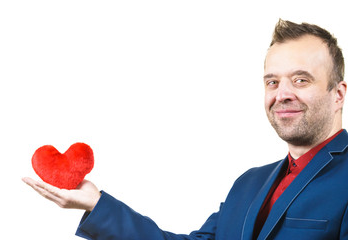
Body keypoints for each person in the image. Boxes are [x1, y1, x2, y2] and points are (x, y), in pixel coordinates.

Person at [23, 19, 348, 240]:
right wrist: (97, 205)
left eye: (301, 79)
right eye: (272, 81)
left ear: (339, 94)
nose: (282, 93)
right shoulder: (248, 185)